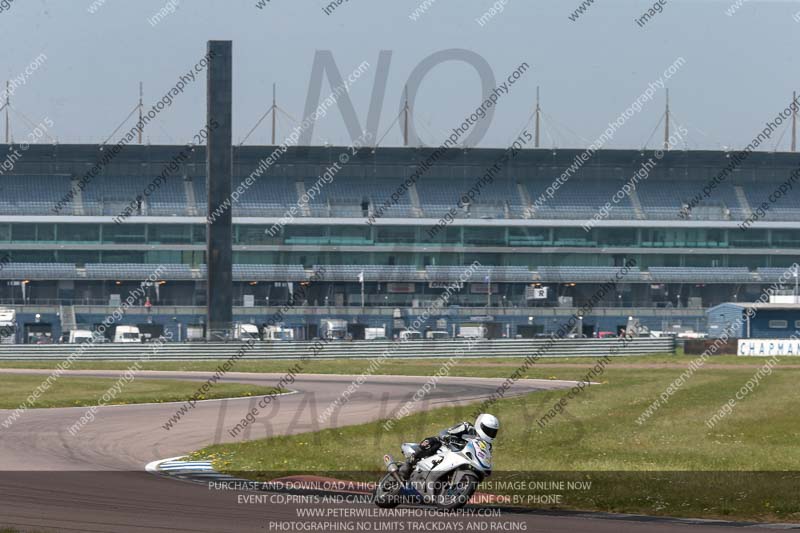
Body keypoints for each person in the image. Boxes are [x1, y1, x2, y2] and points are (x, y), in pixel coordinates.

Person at [397, 414, 499, 480]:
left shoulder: (487, 446)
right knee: (434, 441)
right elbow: (446, 432)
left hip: (462, 460)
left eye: (493, 432)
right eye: (488, 430)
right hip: (448, 448)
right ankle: (409, 463)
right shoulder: (467, 427)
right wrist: (447, 438)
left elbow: (484, 458)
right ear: (480, 425)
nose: (490, 433)